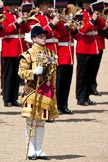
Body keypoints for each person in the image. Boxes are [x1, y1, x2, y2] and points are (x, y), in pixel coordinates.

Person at [18, 25, 59, 160]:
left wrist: (53, 92)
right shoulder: (28, 54)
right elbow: (21, 72)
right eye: (40, 36)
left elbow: (53, 75)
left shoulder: (51, 53)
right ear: (34, 38)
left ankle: (39, 149)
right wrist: (33, 73)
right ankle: (30, 149)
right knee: (31, 121)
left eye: (44, 35)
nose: (43, 38)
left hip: (46, 93)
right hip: (32, 91)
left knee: (41, 122)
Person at [75, 0, 106, 106]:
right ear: (82, 4)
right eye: (87, 2)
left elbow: (103, 26)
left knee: (90, 74)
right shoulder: (79, 15)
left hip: (94, 47)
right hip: (84, 48)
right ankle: (80, 97)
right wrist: (92, 20)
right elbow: (82, 30)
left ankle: (87, 96)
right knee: (82, 75)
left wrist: (99, 16)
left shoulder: (93, 14)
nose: (89, 4)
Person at [1, 0, 28, 107]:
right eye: (12, 5)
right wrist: (17, 22)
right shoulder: (3, 16)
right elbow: (5, 31)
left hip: (20, 49)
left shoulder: (18, 15)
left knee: (17, 75)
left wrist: (24, 20)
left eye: (16, 5)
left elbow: (26, 30)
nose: (15, 7)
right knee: (9, 75)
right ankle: (7, 98)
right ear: (7, 6)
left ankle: (14, 98)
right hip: (10, 49)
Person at [55, 3, 77, 115]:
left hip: (70, 56)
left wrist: (74, 29)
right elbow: (57, 34)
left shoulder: (68, 22)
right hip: (61, 54)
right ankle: (57, 106)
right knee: (59, 83)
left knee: (67, 82)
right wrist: (66, 26)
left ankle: (64, 105)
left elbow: (78, 37)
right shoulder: (59, 23)